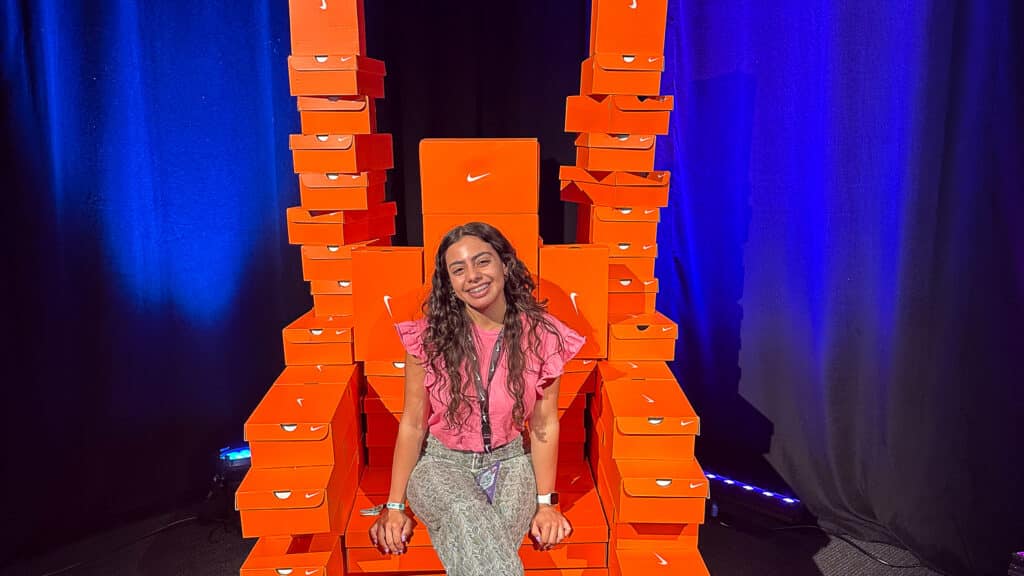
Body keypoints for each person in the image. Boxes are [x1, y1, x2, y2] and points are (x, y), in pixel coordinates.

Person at [368, 221, 585, 576]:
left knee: (488, 539)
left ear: (504, 264)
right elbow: (413, 422)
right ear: (450, 285)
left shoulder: (544, 337)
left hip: (511, 462)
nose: (473, 275)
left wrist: (546, 503)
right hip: (440, 465)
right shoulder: (427, 339)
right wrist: (394, 505)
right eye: (458, 269)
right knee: (466, 514)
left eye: (482, 261)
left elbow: (544, 424)